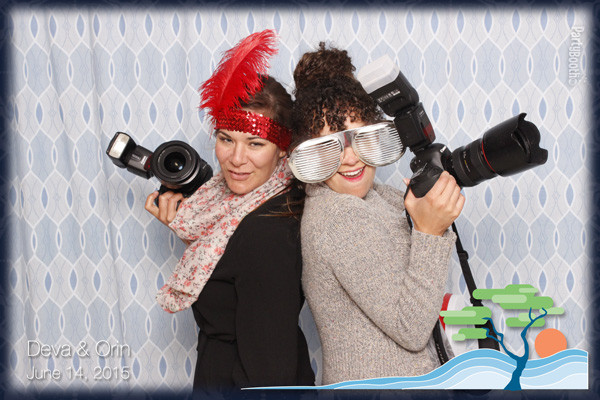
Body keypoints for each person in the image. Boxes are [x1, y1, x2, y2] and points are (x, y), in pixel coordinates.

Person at [144, 30, 314, 393]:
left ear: (282, 149)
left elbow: (271, 372)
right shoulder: (236, 205)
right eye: (226, 139)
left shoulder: (266, 231)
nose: (236, 160)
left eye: (255, 144)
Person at [291, 43, 465, 385]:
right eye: (329, 145)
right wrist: (428, 233)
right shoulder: (337, 218)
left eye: (360, 138)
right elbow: (410, 329)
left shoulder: (378, 197)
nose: (350, 158)